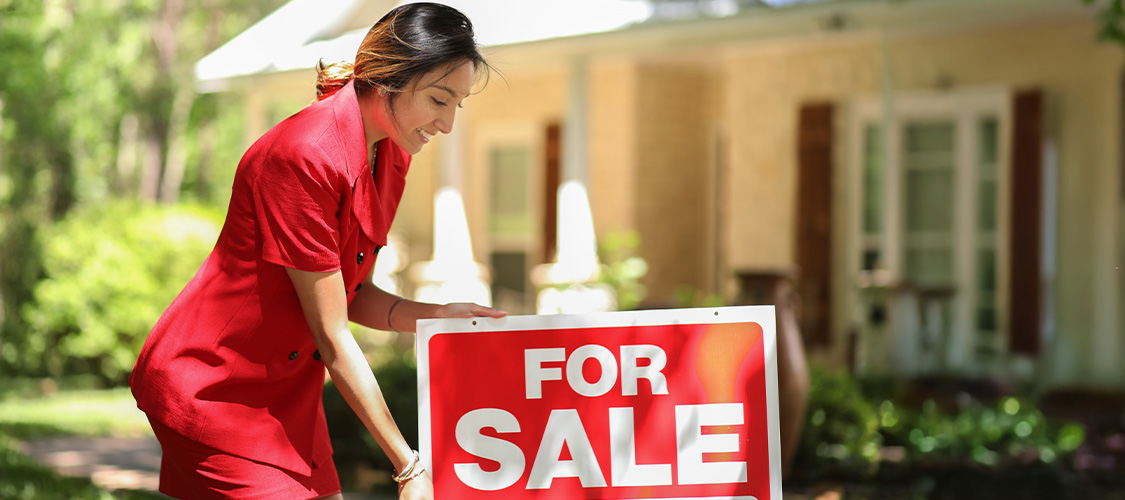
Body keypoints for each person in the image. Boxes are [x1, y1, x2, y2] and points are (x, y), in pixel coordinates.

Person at [129, 4, 504, 499]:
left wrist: (436, 316)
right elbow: (333, 335)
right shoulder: (304, 154)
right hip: (215, 388)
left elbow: (350, 294)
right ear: (390, 77)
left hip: (288, 396)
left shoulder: (390, 151)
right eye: (439, 99)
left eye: (458, 104)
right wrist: (409, 466)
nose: (448, 123)